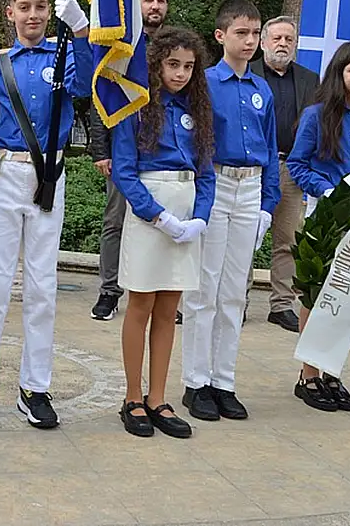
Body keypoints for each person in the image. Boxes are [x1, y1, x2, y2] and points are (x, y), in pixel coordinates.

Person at [0, 0, 93, 430]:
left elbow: (85, 89)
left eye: (41, 7)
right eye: (25, 7)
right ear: (10, 13)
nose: (33, 15)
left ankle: (35, 386)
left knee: (42, 288)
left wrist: (78, 33)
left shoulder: (61, 56)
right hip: (4, 174)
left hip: (49, 176)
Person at [112, 28, 215, 438]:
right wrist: (157, 216)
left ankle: (158, 396)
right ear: (156, 64)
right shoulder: (137, 105)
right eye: (173, 64)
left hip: (186, 207)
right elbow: (124, 169)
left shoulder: (198, 110)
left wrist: (199, 218)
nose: (181, 73)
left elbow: (206, 171)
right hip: (150, 211)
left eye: (189, 66)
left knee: (169, 309)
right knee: (141, 304)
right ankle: (133, 396)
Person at [181, 0, 279, 423]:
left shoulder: (262, 90)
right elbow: (191, 141)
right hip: (215, 184)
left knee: (235, 292)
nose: (250, 41)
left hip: (250, 188)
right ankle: (196, 382)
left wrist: (268, 205)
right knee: (204, 290)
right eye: (242, 33)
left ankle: (224, 381)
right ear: (221, 36)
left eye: (255, 33)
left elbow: (272, 150)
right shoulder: (203, 83)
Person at [286, 40, 350, 413]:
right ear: (340, 72)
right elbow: (297, 165)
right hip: (326, 213)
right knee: (318, 293)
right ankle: (309, 374)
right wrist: (331, 192)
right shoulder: (316, 115)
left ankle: (333, 372)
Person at [89, 0, 170, 321]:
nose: (154, 6)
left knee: (160, 222)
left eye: (160, 1)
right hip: (123, 152)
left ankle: (159, 290)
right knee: (116, 222)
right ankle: (109, 290)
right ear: (137, 5)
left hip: (162, 153)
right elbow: (99, 99)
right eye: (148, 0)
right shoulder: (121, 44)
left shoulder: (174, 47)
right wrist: (100, 150)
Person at [248, 16, 318, 333]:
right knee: (244, 238)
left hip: (292, 168)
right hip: (254, 168)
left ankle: (281, 305)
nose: (283, 44)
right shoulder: (247, 74)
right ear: (263, 42)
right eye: (276, 38)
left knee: (287, 240)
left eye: (289, 39)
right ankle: (238, 302)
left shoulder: (309, 79)